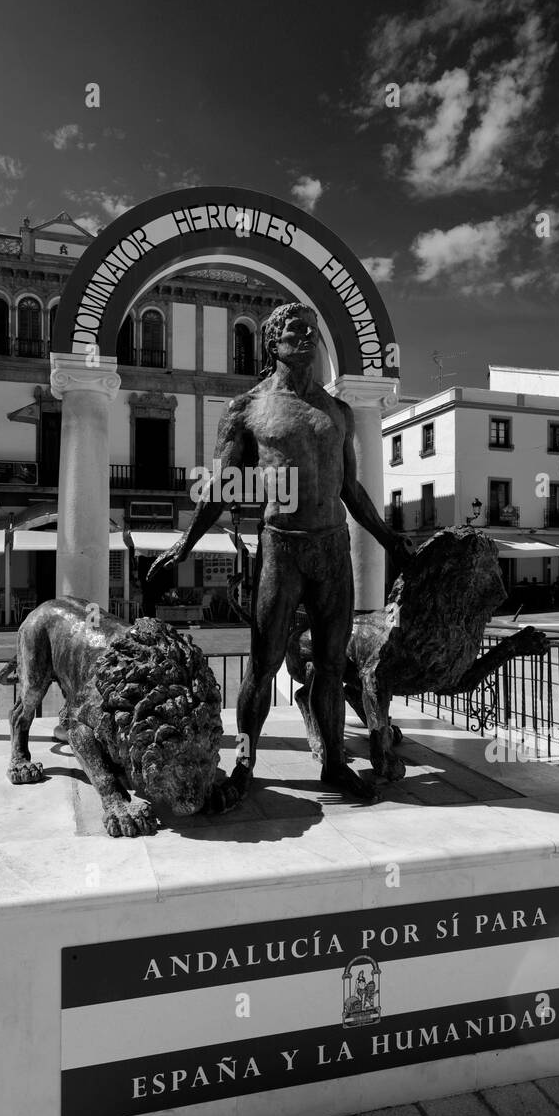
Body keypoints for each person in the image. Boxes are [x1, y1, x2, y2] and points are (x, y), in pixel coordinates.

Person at [147, 300, 414, 804]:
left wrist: (388, 537)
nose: (307, 335)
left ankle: (334, 763)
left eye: (312, 328)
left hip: (333, 548)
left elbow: (351, 490)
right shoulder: (247, 409)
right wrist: (186, 541)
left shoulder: (338, 411)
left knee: (333, 666)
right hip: (281, 549)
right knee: (264, 665)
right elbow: (224, 487)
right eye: (295, 328)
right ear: (272, 342)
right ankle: (244, 765)